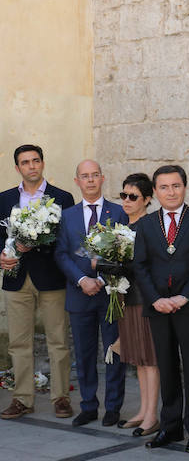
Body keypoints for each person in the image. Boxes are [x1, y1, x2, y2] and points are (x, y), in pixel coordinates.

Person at [133, 165, 189, 452]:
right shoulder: (146, 224)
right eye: (164, 187)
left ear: (185, 187)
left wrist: (184, 297)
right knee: (166, 367)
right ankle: (171, 426)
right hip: (158, 308)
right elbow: (140, 266)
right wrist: (154, 299)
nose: (170, 192)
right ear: (155, 192)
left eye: (176, 186)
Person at [0, 145, 75, 420]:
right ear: (17, 167)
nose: (31, 166)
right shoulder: (4, 198)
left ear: (42, 163)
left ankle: (61, 397)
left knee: (58, 341)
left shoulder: (62, 198)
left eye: (35, 161)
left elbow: (68, 238)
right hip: (15, 277)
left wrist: (38, 242)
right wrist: (1, 255)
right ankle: (22, 398)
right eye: (25, 162)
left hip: (51, 277)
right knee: (18, 343)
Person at [54, 160, 128, 426]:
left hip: (110, 295)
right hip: (79, 294)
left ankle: (113, 407)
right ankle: (88, 406)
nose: (90, 180)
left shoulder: (118, 212)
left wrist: (106, 278)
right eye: (85, 176)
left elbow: (125, 252)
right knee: (84, 354)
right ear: (77, 181)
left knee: (113, 352)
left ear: (102, 178)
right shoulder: (67, 216)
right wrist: (82, 279)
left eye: (95, 175)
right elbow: (61, 254)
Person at [115, 173, 161, 437]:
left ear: (146, 200)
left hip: (144, 299)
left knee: (150, 357)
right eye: (123, 195)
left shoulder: (149, 226)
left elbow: (147, 265)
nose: (127, 201)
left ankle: (152, 415)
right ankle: (143, 410)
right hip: (125, 297)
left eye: (133, 197)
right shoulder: (123, 226)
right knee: (138, 359)